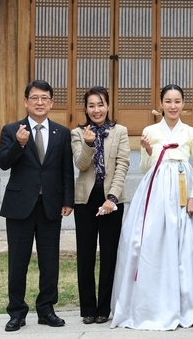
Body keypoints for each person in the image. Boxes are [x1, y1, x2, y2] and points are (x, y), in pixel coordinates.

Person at [111, 84, 193, 330]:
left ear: (184, 104)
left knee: (187, 248)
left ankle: (185, 305)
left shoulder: (192, 132)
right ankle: (150, 303)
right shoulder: (150, 130)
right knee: (147, 243)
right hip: (155, 194)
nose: (173, 106)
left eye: (177, 101)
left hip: (183, 191)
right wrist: (147, 150)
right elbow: (144, 168)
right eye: (168, 101)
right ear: (161, 104)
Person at [0, 79, 74, 332]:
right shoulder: (11, 130)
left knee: (50, 261)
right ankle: (17, 313)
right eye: (34, 98)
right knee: (18, 262)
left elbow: (66, 170)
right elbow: (3, 163)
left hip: (51, 205)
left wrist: (67, 201)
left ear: (52, 102)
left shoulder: (61, 132)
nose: (39, 102)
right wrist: (19, 145)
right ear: (25, 102)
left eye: (45, 98)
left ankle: (46, 309)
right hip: (20, 205)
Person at [70, 87, 130, 325]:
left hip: (112, 201)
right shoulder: (77, 133)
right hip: (85, 200)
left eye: (101, 104)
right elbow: (81, 165)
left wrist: (112, 198)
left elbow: (123, 165)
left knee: (109, 254)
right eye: (91, 105)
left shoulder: (121, 132)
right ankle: (87, 308)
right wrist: (88, 144)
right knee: (85, 255)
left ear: (108, 106)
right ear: (86, 108)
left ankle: (104, 307)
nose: (96, 110)